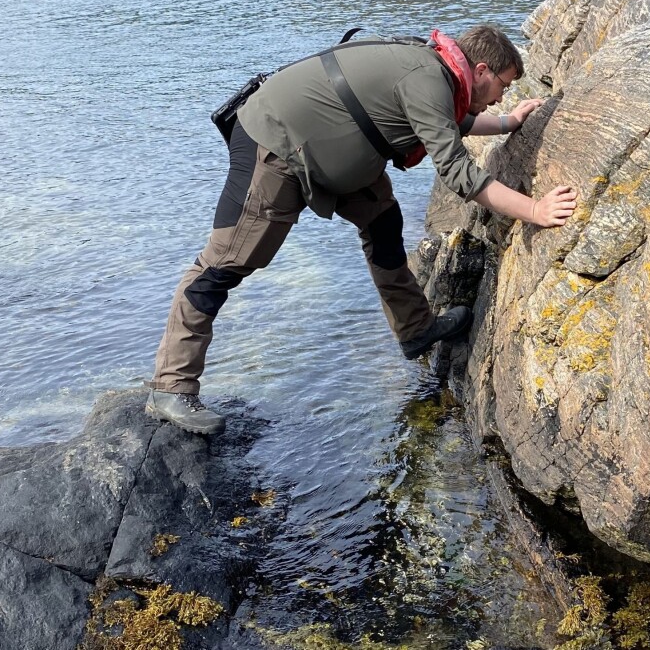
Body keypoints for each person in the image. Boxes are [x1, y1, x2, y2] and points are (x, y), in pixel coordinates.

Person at [146, 24, 577, 434]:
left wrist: (507, 124)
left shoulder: (437, 74)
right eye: (503, 85)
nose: (502, 98)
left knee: (383, 221)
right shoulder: (427, 77)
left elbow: (451, 123)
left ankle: (416, 330)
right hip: (275, 146)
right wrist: (535, 210)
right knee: (225, 264)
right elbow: (459, 172)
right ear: (480, 71)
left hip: (321, 150)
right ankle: (171, 387)